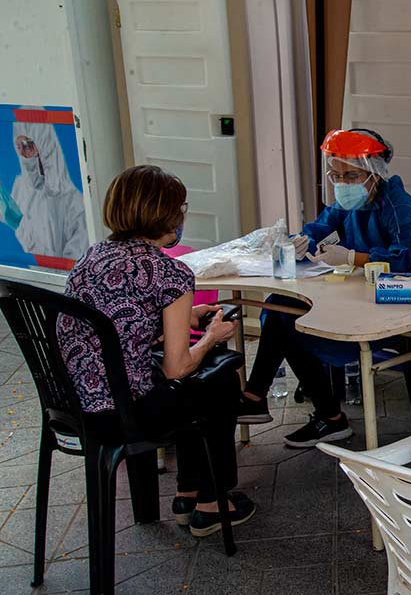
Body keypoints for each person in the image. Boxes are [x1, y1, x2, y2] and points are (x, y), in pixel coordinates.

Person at [58, 165, 256, 537]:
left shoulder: (92, 257)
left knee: (193, 386)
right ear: (167, 216)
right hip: (123, 413)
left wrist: (180, 319)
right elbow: (176, 368)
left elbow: (117, 326)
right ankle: (211, 504)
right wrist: (211, 336)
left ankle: (188, 493)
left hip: (77, 404)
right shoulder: (169, 273)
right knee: (218, 383)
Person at [237, 128, 411, 448]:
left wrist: (353, 257)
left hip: (393, 305)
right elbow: (320, 227)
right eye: (337, 175)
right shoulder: (348, 203)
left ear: (374, 172)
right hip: (356, 296)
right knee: (280, 308)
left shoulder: (397, 205)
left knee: (287, 322)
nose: (343, 184)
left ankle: (306, 410)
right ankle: (267, 399)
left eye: (351, 175)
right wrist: (302, 242)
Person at [11, 119, 88, 260]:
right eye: (19, 147)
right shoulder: (20, 188)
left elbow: (73, 264)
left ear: (45, 145)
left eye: (28, 145)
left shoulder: (75, 203)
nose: (25, 155)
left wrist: (24, 234)